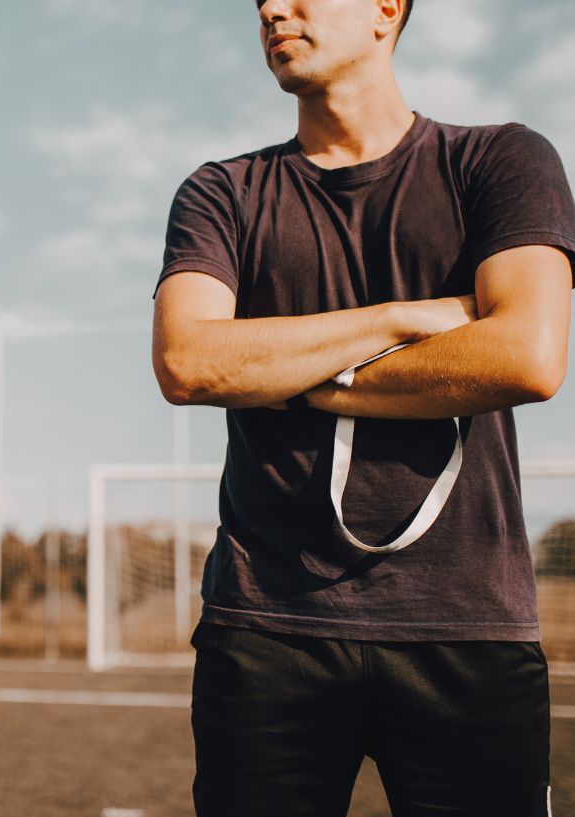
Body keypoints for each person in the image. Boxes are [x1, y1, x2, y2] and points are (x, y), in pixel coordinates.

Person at [152, 0, 575, 815]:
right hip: (267, 625)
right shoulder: (223, 192)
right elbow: (188, 360)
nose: (274, 7)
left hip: (467, 625)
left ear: (387, 8)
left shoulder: (502, 160)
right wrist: (401, 317)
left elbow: (526, 355)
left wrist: (296, 373)